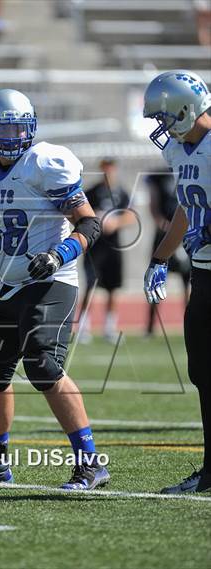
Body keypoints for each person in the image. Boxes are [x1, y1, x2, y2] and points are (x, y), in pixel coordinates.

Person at [0, 88, 110, 491]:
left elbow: (90, 223)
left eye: (16, 128)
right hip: (9, 283)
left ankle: (90, 462)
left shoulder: (46, 163)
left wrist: (58, 255)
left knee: (44, 365)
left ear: (31, 127)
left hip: (52, 279)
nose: (9, 136)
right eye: (1, 127)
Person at [143, 69, 211, 493]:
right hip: (204, 274)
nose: (161, 128)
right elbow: (187, 208)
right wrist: (159, 257)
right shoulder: (182, 152)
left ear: (185, 110)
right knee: (204, 372)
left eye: (164, 118)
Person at [80, 158, 136, 343]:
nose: (108, 173)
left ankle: (109, 327)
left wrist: (115, 222)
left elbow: (131, 216)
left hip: (114, 246)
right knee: (90, 285)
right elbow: (81, 213)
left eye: (111, 169)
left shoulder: (122, 192)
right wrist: (97, 220)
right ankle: (83, 327)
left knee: (112, 288)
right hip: (95, 246)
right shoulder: (92, 192)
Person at [144, 169, 191, 336]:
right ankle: (150, 327)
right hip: (164, 236)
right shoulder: (159, 176)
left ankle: (190, 324)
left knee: (189, 283)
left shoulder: (191, 171)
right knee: (156, 279)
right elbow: (154, 205)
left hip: (186, 235)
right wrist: (165, 226)